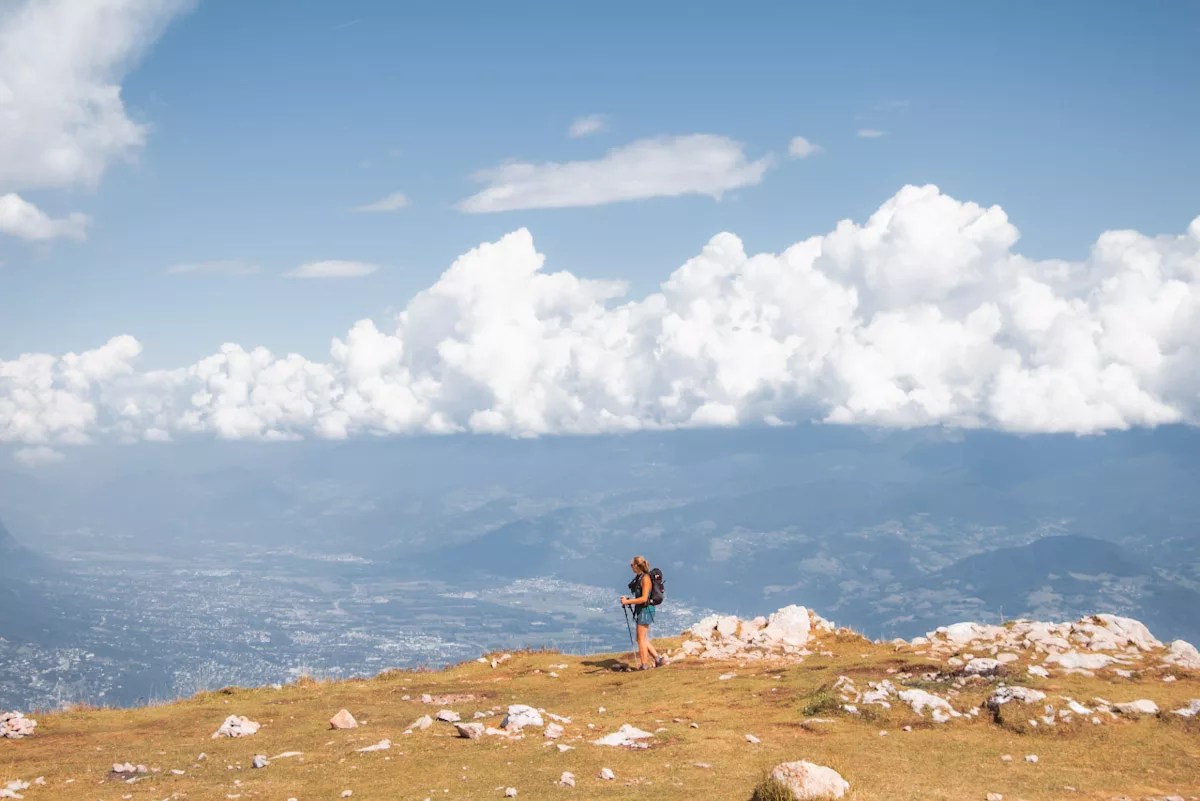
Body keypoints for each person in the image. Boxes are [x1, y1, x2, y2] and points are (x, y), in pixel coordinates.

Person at [620, 556, 664, 670]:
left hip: (645, 610)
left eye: (632, 565)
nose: (631, 567)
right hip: (643, 610)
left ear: (637, 566)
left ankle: (644, 665)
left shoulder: (645, 579)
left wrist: (627, 601)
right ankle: (658, 659)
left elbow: (644, 598)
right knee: (641, 638)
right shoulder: (640, 577)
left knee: (640, 639)